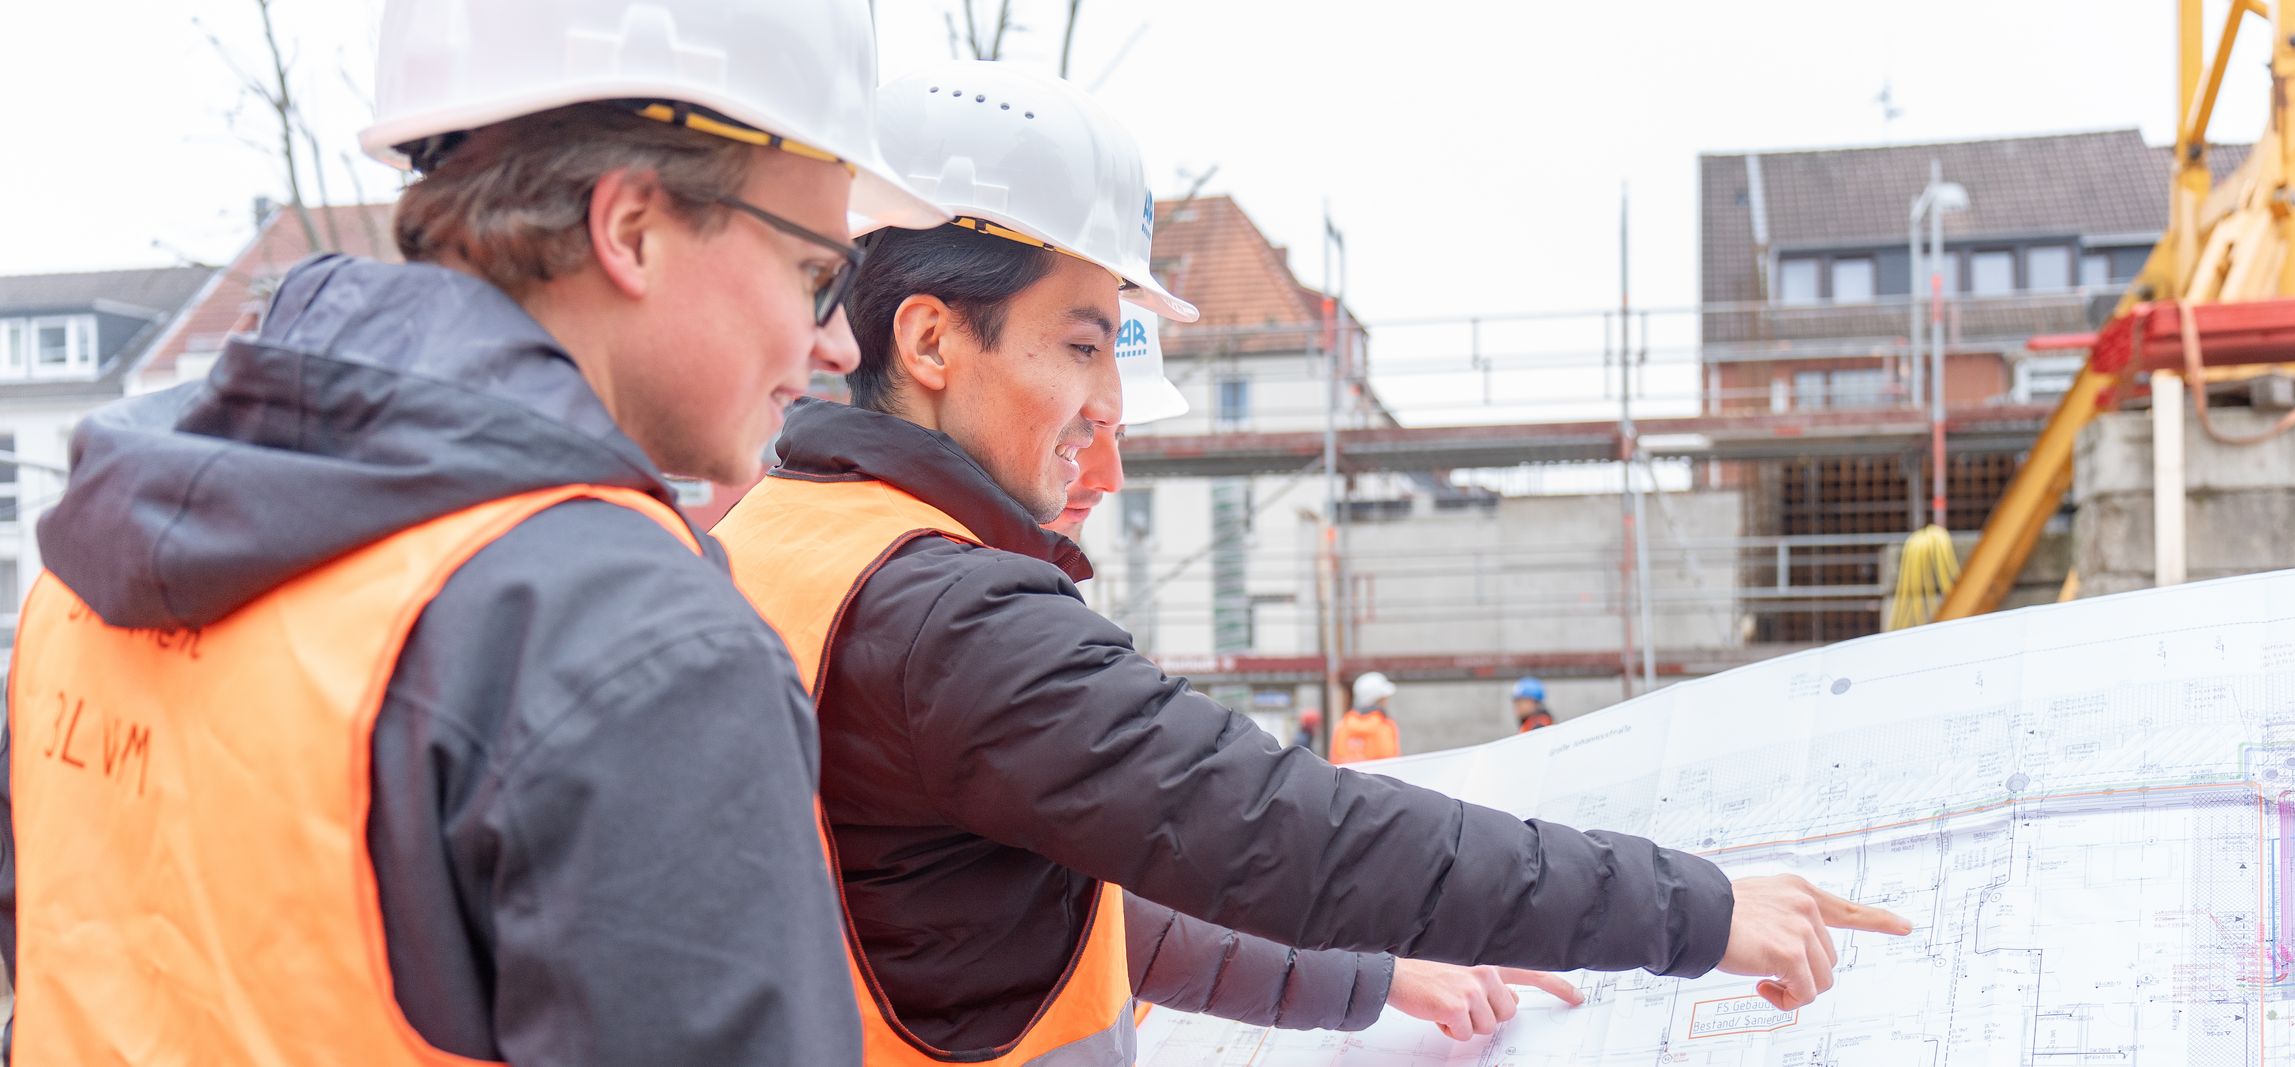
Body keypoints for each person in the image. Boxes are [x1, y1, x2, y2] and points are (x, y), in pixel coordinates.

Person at [716, 59, 1909, 1066]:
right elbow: (1281, 827)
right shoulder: (950, 614)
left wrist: (1374, 974)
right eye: (1084, 345)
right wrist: (1701, 908)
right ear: (930, 339)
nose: (1104, 406)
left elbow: (1059, 909)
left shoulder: (768, 540)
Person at [0, 2, 946, 1063]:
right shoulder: (638, 646)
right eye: (820, 273)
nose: (832, 344)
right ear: (631, 228)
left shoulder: (87, 568)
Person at [1038, 310, 1579, 1041]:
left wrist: (1380, 962)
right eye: (1083, 428)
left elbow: (1112, 915)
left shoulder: (1022, 617)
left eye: (1118, 434)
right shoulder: (991, 637)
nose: (1106, 475)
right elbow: (1293, 825)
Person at [1332, 671, 1406, 763]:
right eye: (1384, 699)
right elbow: (1392, 763)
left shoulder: (1343, 725)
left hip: (1348, 776)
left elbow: (1335, 763)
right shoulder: (1385, 726)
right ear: (1379, 700)